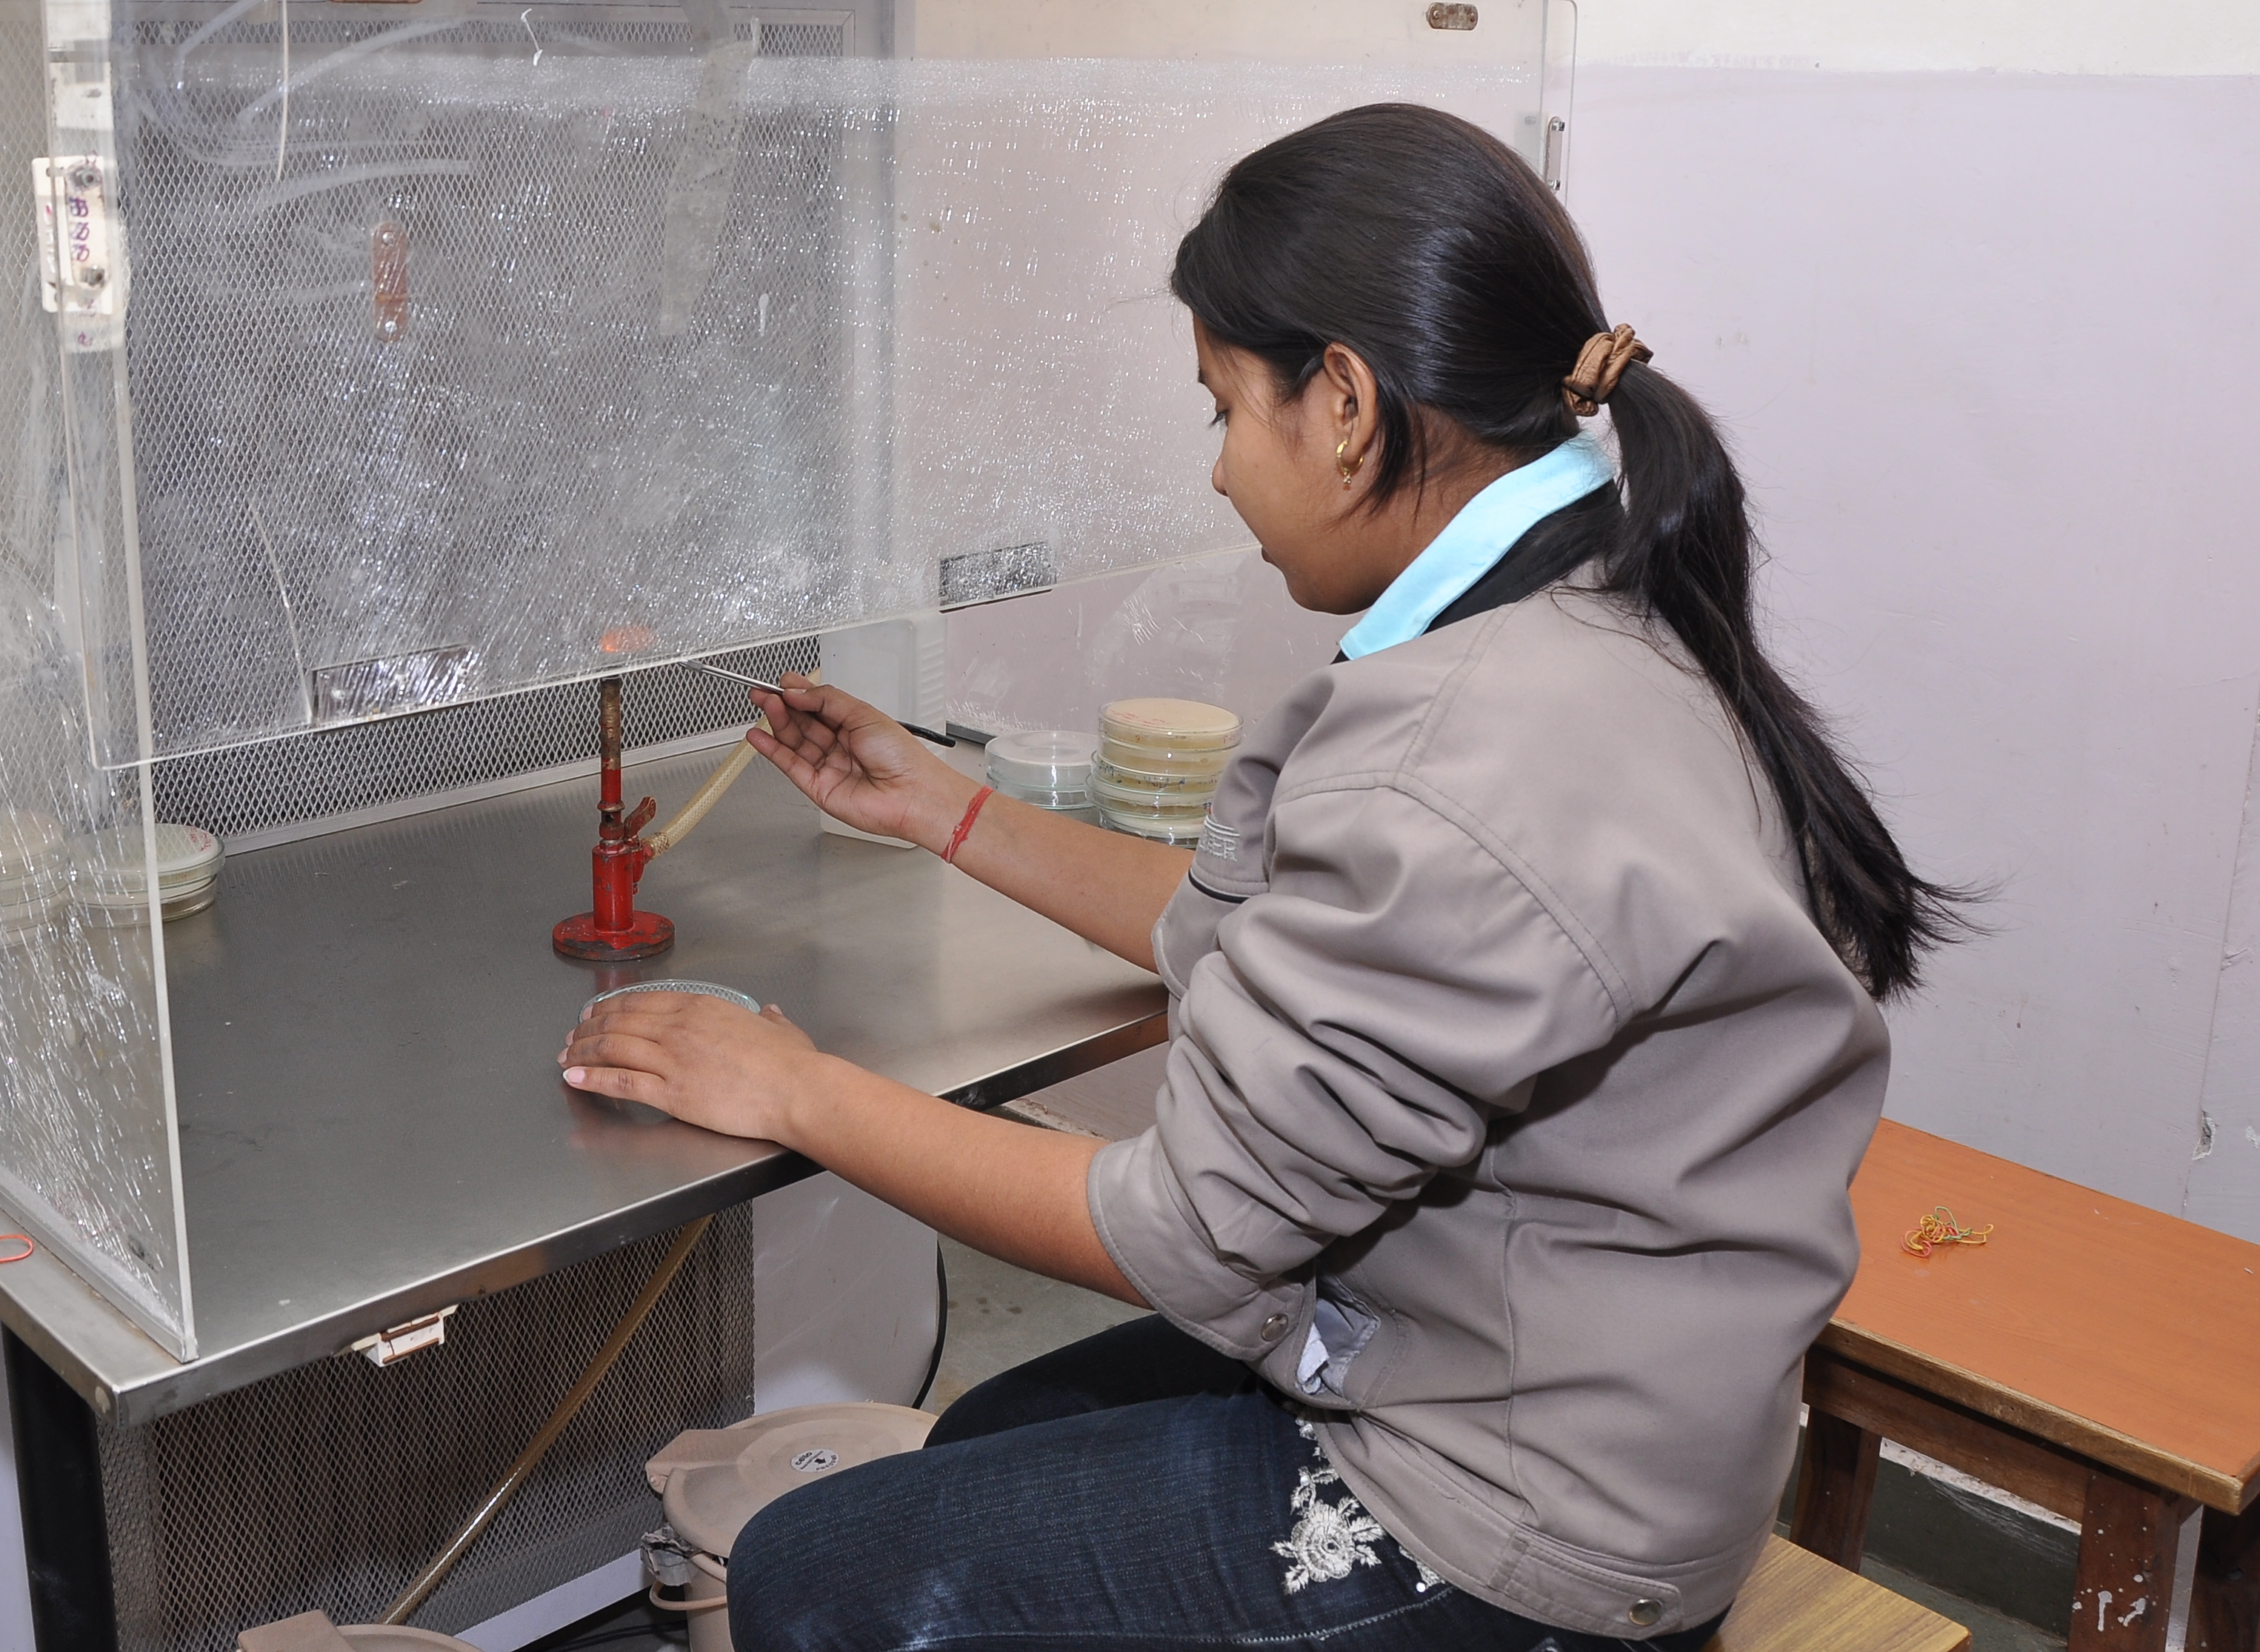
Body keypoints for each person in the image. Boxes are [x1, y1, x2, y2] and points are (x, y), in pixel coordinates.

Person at [558, 102, 1966, 1651]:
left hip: (1529, 1520)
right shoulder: (1580, 605)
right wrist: (945, 809)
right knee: (985, 1440)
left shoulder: (1462, 752)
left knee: (816, 1573)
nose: (1222, 470)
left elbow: (1180, 1232)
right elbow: (1239, 934)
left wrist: (795, 1088)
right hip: (1539, 1368)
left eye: (1224, 407)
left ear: (1344, 404)